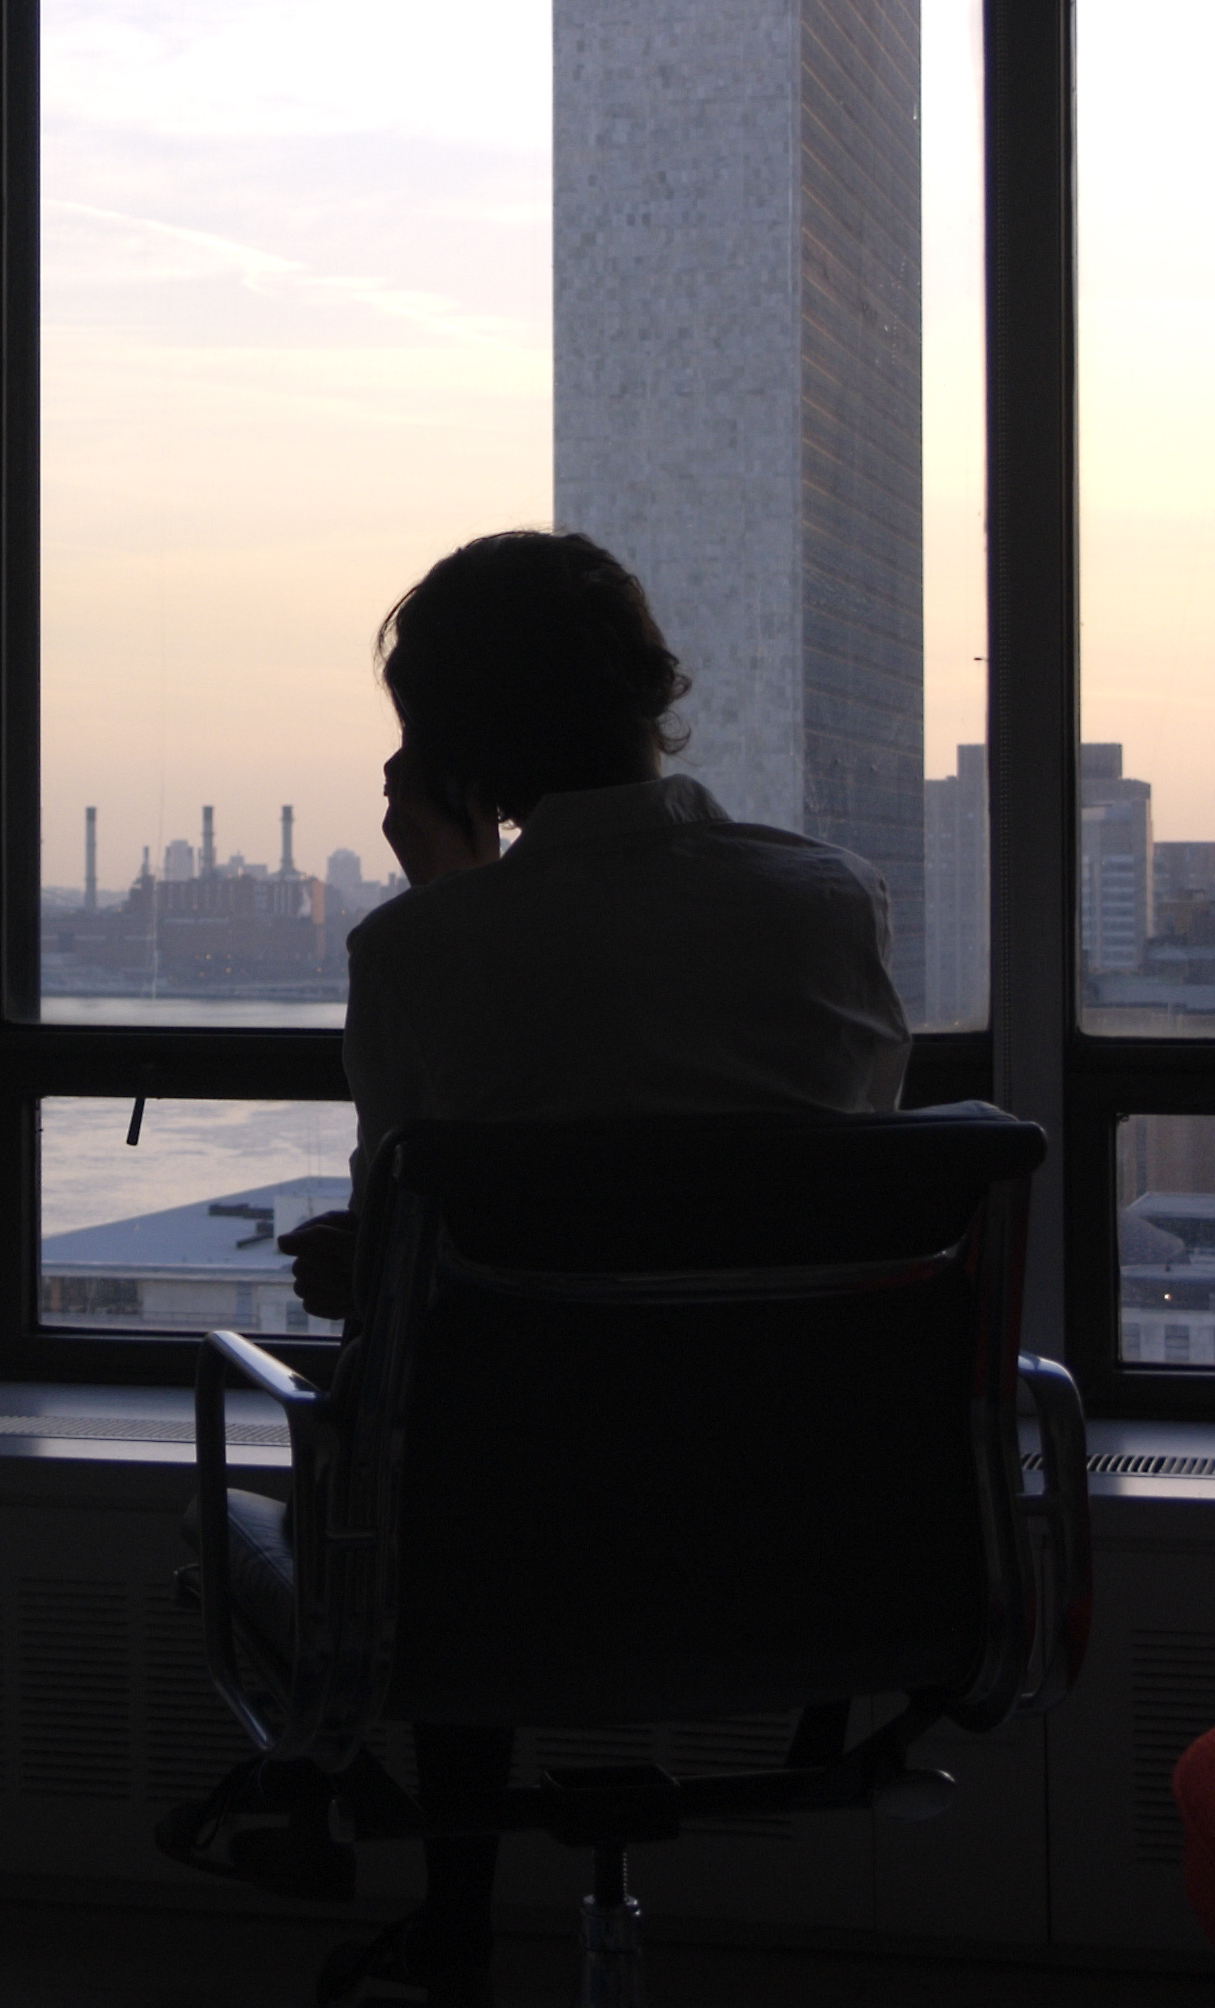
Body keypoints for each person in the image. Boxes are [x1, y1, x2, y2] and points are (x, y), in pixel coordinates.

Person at [284, 527, 909, 2008]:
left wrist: (448, 890)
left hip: (509, 1548)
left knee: (462, 1427)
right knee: (517, 1416)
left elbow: (408, 1255)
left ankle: (452, 1928)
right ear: (651, 692)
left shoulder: (424, 955)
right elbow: (845, 1206)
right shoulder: (827, 902)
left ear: (446, 747)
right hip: (809, 1526)